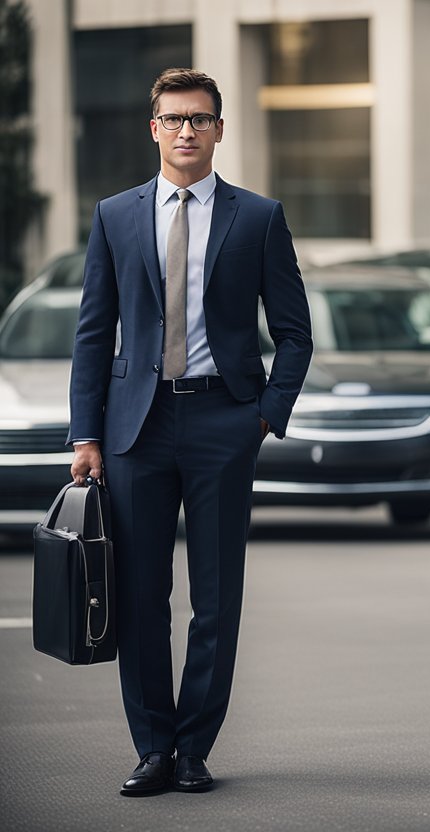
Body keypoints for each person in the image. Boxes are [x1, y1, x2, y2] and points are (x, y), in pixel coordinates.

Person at [68, 68, 313, 796]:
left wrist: (264, 415)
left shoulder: (259, 217)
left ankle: (196, 746)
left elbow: (295, 335)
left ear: (219, 129)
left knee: (216, 596)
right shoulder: (115, 215)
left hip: (221, 421)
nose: (186, 131)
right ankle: (153, 747)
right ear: (154, 129)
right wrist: (86, 434)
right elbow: (92, 333)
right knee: (141, 597)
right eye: (173, 119)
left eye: (199, 119)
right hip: (134, 428)